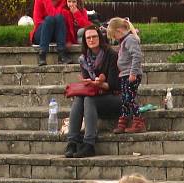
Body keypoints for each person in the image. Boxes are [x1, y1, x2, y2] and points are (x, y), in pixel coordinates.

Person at [64, 25, 122, 159]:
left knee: (89, 99)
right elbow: (88, 87)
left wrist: (100, 84)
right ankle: (72, 141)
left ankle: (89, 144)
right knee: (80, 98)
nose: (91, 40)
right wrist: (88, 83)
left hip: (115, 98)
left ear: (100, 38)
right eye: (88, 37)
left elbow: (114, 85)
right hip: (96, 96)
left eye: (94, 36)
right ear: (85, 41)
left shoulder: (111, 55)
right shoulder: (84, 59)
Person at [106, 18, 146, 134]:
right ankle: (122, 123)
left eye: (114, 35)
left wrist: (133, 73)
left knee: (129, 99)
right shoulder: (124, 41)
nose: (115, 38)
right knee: (124, 99)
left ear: (119, 31)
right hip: (125, 74)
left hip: (131, 75)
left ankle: (138, 122)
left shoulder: (130, 40)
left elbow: (137, 56)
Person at [30, 0, 68, 65]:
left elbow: (58, 17)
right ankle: (42, 54)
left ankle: (62, 55)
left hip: (55, 34)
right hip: (41, 34)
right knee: (49, 19)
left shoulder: (63, 1)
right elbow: (37, 21)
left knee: (59, 17)